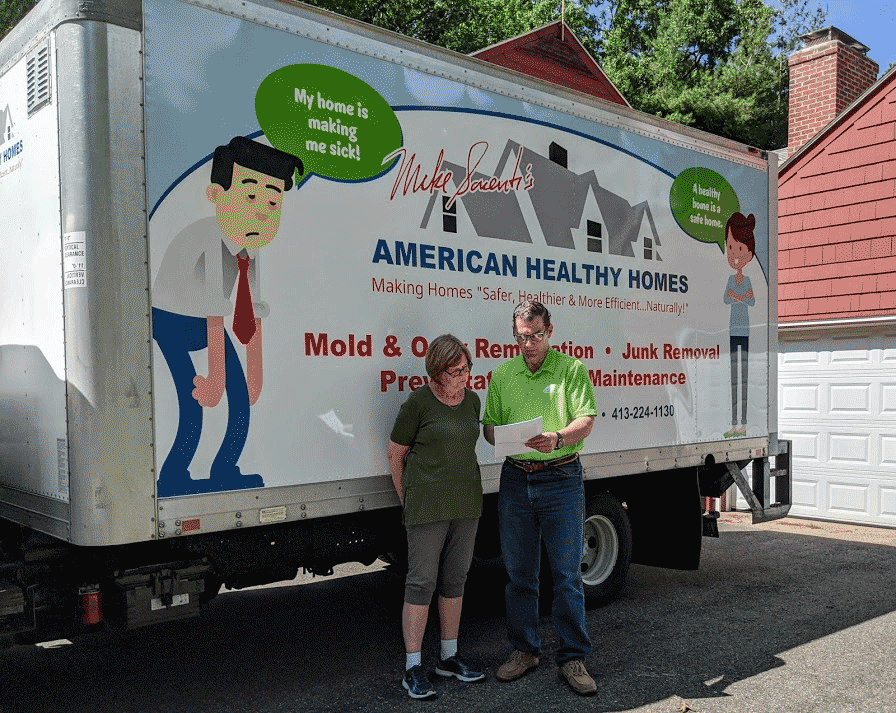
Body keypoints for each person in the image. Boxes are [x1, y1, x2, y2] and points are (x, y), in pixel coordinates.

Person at [152, 136, 304, 496]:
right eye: (251, 196)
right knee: (194, 405)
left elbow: (253, 311)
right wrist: (214, 379)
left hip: (208, 321)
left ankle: (225, 468)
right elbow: (213, 309)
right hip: (171, 319)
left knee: (241, 403)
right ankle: (173, 474)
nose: (264, 211)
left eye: (273, 201)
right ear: (216, 195)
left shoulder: (250, 248)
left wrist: (254, 379)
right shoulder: (207, 237)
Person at [482, 300, 598, 697]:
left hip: (561, 477)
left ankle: (573, 658)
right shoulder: (503, 374)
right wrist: (502, 437)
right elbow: (489, 427)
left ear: (550, 331)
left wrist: (558, 438)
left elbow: (586, 419)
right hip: (516, 478)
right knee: (519, 574)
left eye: (534, 336)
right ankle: (525, 651)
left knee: (566, 575)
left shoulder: (571, 370)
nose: (528, 344)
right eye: (520, 337)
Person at [387, 334, 486, 699]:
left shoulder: (472, 401)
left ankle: (449, 656)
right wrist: (408, 499)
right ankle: (413, 666)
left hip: (465, 502)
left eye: (466, 368)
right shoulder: (419, 402)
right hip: (428, 505)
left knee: (455, 579)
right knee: (421, 582)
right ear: (437, 371)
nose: (464, 376)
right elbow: (396, 454)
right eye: (456, 371)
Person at [723, 212, 756, 438]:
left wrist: (738, 296)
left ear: (749, 254)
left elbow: (751, 301)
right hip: (732, 330)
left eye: (740, 249)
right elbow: (726, 298)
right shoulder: (730, 280)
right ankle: (733, 424)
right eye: (731, 248)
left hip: (744, 331)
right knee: (734, 381)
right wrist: (740, 297)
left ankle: (744, 424)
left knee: (743, 380)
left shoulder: (749, 280)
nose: (735, 255)